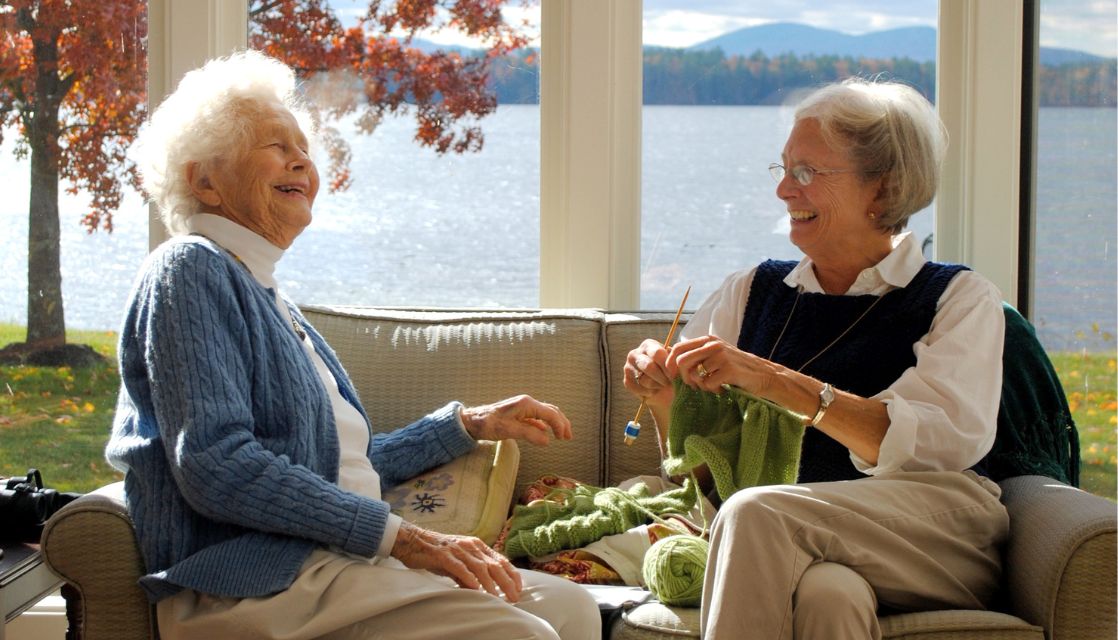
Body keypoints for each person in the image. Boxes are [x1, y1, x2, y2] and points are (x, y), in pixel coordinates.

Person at [106, 50, 599, 640]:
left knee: (572, 608)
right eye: (275, 147)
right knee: (525, 634)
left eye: (303, 151)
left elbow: (338, 471)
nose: (302, 163)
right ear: (204, 180)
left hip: (328, 561)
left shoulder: (266, 293)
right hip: (249, 584)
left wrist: (469, 424)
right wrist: (408, 539)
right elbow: (217, 465)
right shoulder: (189, 269)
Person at [623, 77, 1009, 640]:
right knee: (830, 595)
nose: (784, 191)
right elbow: (708, 475)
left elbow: (939, 447)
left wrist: (774, 380)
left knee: (758, 512)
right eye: (782, 169)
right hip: (801, 539)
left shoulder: (958, 297)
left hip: (933, 532)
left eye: (806, 173)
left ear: (883, 189)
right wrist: (663, 397)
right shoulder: (750, 290)